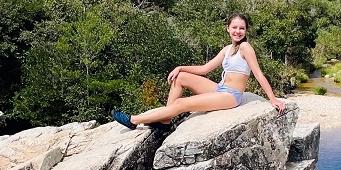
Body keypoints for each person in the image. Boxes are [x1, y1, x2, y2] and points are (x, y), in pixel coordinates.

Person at [113, 14, 286, 129]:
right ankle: (165, 121)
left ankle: (134, 120)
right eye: (234, 27)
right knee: (180, 77)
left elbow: (258, 73)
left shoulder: (246, 47)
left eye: (242, 28)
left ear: (246, 31)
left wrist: (272, 99)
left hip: (231, 96)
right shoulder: (227, 49)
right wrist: (180, 67)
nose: (237, 31)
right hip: (220, 89)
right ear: (227, 28)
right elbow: (204, 69)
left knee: (181, 104)